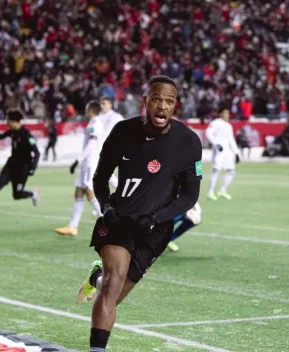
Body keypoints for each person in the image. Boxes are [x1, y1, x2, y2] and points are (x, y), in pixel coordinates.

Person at [77, 75, 202, 352]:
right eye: (157, 99)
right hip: (119, 221)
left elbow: (190, 195)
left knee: (112, 294)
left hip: (154, 230)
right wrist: (107, 207)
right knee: (113, 283)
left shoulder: (189, 142)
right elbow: (100, 178)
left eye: (169, 101)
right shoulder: (122, 132)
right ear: (145, 101)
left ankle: (96, 277)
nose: (162, 106)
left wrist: (157, 218)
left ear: (175, 106)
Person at [0, 109, 40, 228]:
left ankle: (32, 194)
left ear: (15, 121)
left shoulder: (26, 134)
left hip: (22, 169)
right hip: (10, 165)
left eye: (8, 120)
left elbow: (37, 153)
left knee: (17, 195)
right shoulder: (12, 131)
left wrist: (32, 169)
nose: (6, 123)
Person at [55, 101, 104, 236]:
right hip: (86, 163)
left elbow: (92, 145)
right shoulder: (92, 123)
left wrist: (78, 160)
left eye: (87, 109)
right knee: (79, 192)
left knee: (89, 192)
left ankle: (109, 221)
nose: (85, 111)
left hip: (90, 162)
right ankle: (73, 226)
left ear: (91, 110)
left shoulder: (96, 124)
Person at [205, 106, 240, 200]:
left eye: (228, 113)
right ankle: (210, 192)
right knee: (216, 170)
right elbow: (208, 133)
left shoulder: (229, 126)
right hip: (219, 151)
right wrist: (216, 144)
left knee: (231, 171)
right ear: (220, 114)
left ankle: (222, 190)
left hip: (228, 152)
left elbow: (231, 139)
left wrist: (236, 152)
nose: (227, 115)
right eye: (225, 113)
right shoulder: (215, 123)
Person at [98, 96, 124, 189]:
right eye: (101, 104)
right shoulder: (98, 117)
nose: (101, 106)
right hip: (99, 149)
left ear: (110, 105)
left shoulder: (116, 117)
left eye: (104, 104)